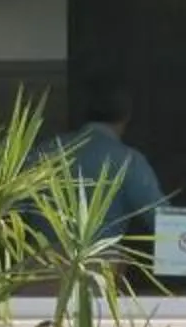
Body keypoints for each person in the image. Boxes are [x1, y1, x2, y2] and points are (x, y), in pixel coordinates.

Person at [48, 77, 166, 246]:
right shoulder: (128, 161)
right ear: (127, 115)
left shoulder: (45, 152)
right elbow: (164, 223)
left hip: (41, 260)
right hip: (99, 260)